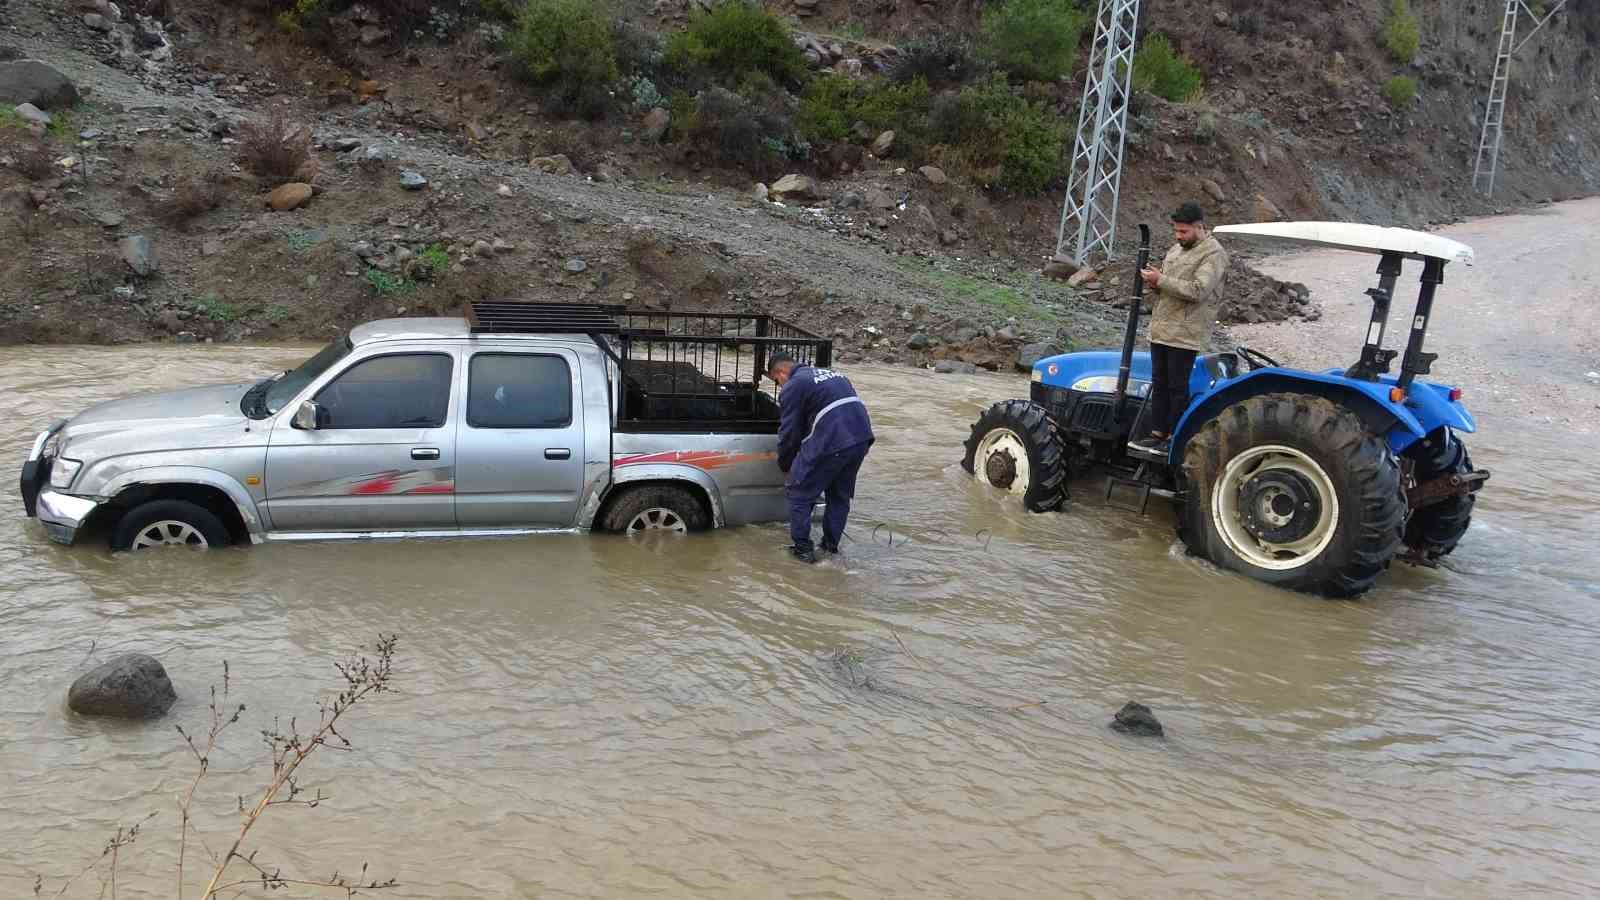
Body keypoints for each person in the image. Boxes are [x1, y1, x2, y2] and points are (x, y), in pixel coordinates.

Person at [1131, 202, 1229, 455]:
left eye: (1183, 232)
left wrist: (1160, 280)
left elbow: (1198, 290)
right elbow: (1169, 284)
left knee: (1177, 386)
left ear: (1199, 227)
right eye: (1176, 231)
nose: (1178, 236)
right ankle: (1157, 433)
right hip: (1162, 328)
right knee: (1159, 383)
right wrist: (1155, 281)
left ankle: (1176, 436)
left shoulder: (1213, 254)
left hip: (1185, 333)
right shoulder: (1176, 249)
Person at [766, 353, 874, 563]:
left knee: (799, 494)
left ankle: (803, 551)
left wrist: (786, 463)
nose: (779, 386)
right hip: (861, 439)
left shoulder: (794, 385)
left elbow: (789, 432)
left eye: (776, 381)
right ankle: (830, 548)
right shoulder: (834, 374)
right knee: (839, 496)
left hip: (832, 442)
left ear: (780, 372)